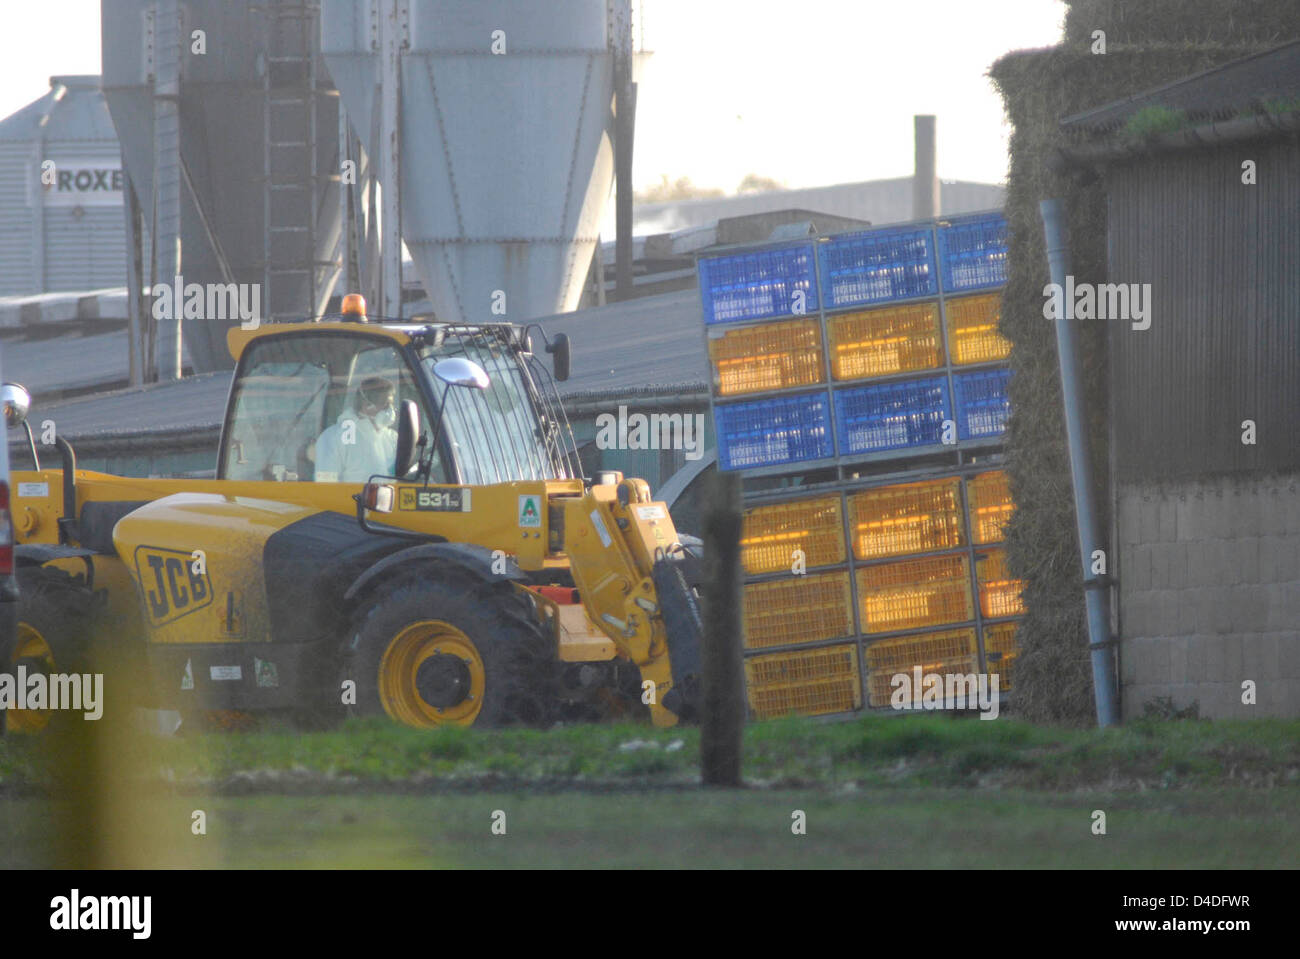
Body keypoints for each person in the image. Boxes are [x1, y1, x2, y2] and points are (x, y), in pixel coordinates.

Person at [314, 376, 398, 483]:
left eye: (391, 405)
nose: (390, 410)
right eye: (384, 404)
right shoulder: (334, 437)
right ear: (366, 404)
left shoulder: (392, 438)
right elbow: (325, 487)